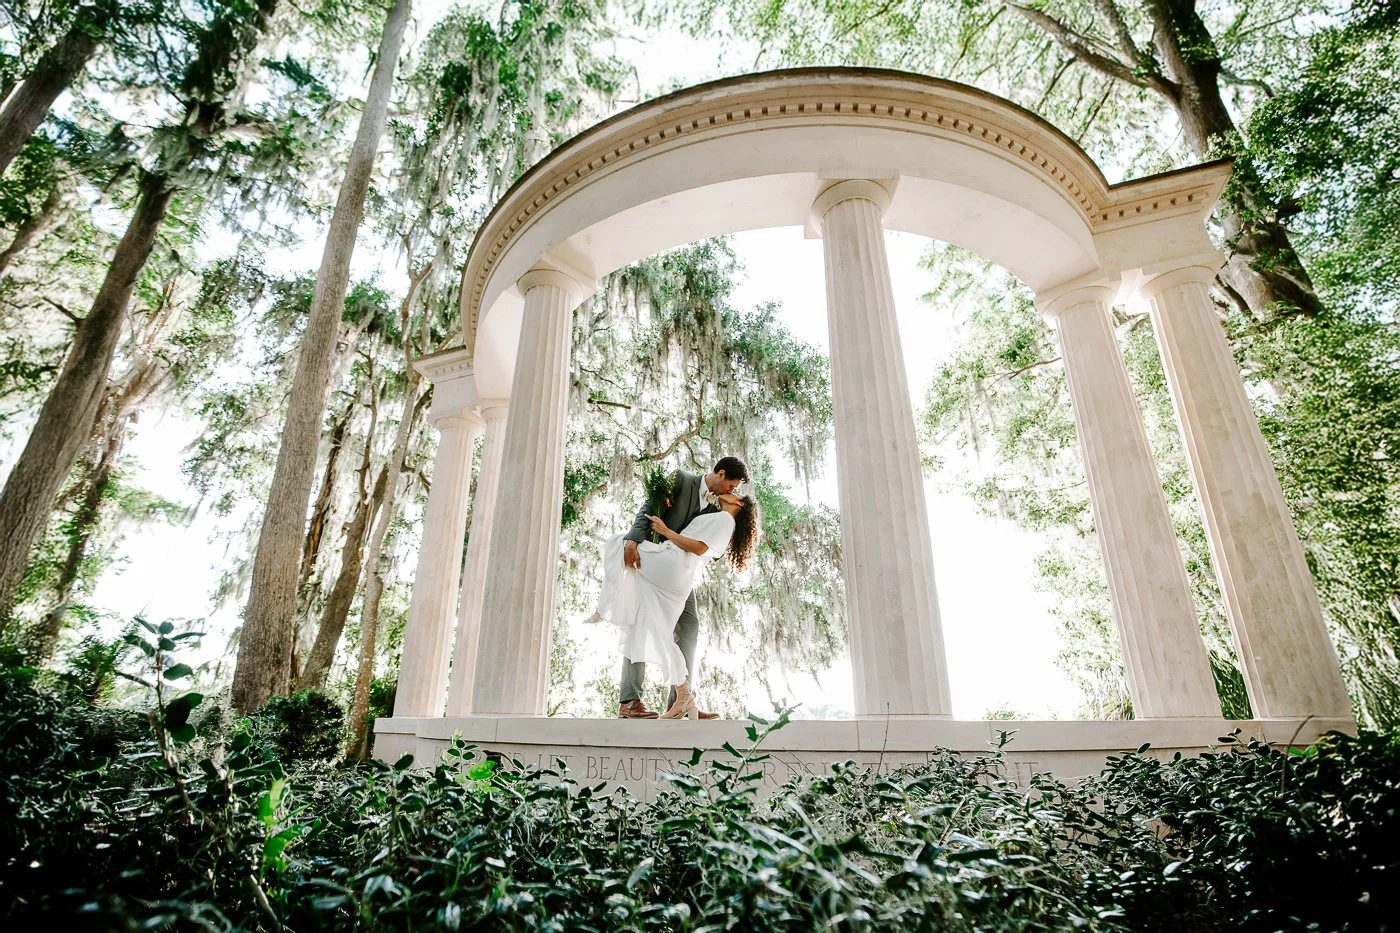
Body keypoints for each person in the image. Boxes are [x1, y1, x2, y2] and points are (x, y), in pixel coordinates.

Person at [598, 455, 751, 719]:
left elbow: (705, 546)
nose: (732, 491)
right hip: (654, 560)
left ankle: (680, 701)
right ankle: (631, 700)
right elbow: (648, 507)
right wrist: (633, 541)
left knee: (689, 626)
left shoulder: (718, 512)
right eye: (731, 486)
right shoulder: (682, 480)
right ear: (721, 473)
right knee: (641, 621)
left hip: (677, 572)